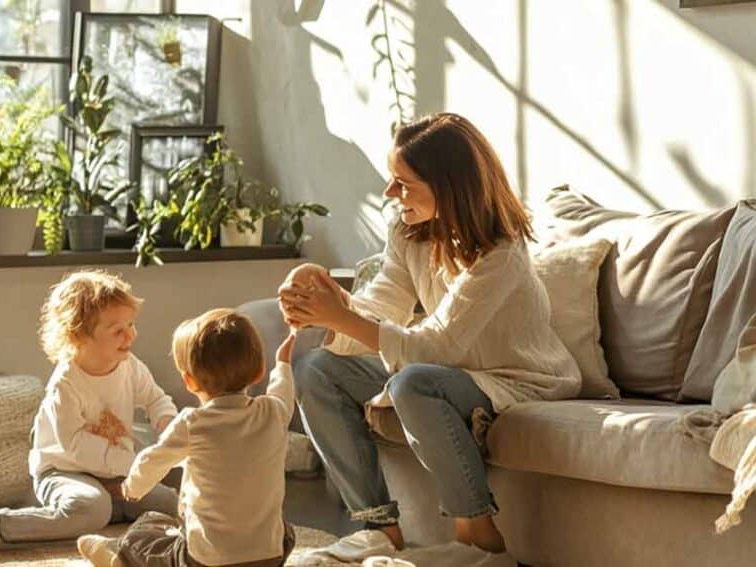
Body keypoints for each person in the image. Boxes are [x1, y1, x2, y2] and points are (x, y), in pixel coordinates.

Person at [280, 112, 580, 562]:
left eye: (402, 182)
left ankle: (478, 531)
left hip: (513, 379)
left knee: (412, 382)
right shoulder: (408, 233)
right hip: (448, 374)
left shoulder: (503, 252)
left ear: (448, 184)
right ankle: (379, 528)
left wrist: (340, 317)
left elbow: (439, 346)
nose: (389, 193)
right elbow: (383, 307)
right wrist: (327, 303)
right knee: (317, 370)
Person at [0, 270, 179, 565]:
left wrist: (166, 422)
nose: (130, 334)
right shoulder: (66, 383)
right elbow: (74, 446)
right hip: (63, 470)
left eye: (131, 324)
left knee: (168, 503)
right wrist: (132, 468)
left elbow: (156, 399)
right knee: (90, 509)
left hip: (115, 472)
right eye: (117, 329)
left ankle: (110, 508)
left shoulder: (129, 365)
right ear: (80, 336)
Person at [77, 309, 298, 567]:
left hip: (206, 561)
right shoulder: (273, 413)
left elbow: (154, 460)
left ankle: (119, 556)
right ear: (259, 371)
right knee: (284, 530)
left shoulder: (193, 423)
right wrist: (283, 363)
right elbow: (283, 390)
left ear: (189, 381)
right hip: (268, 558)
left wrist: (133, 487)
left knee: (146, 530)